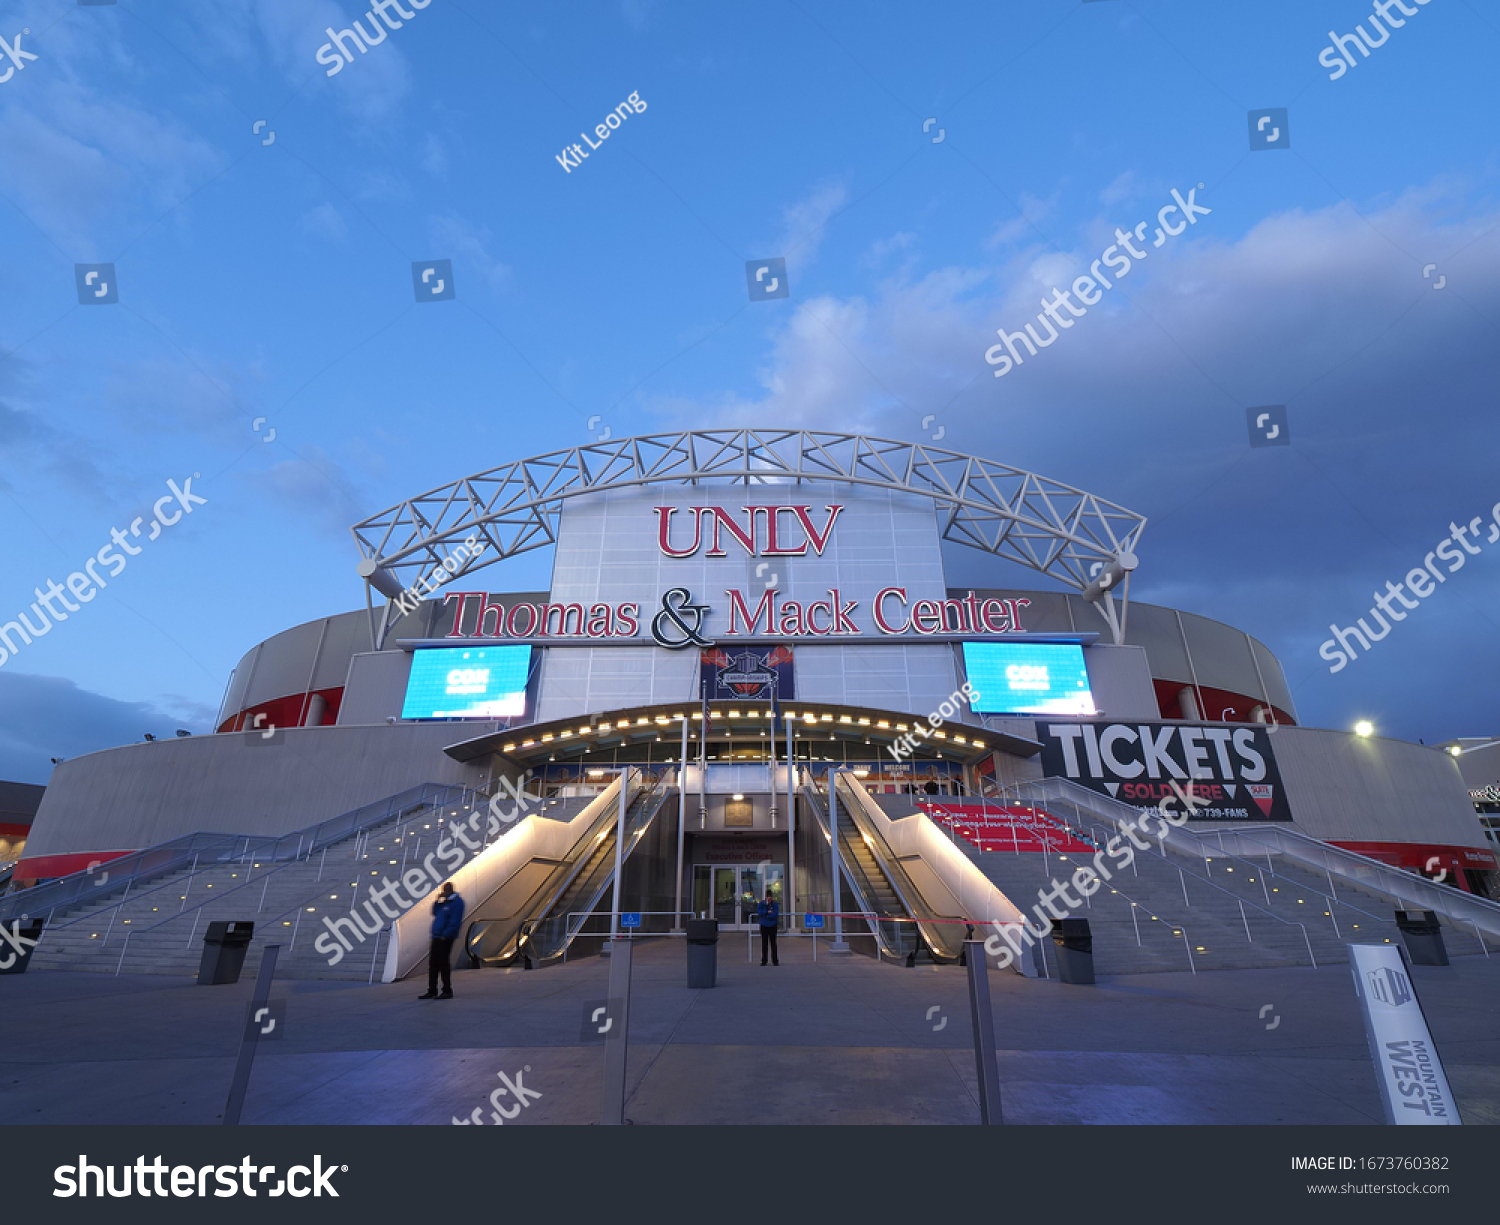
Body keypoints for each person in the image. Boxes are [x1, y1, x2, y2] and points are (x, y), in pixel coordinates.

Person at [418, 881, 464, 1000]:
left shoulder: (457, 903)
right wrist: (437, 901)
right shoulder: (444, 903)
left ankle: (447, 989)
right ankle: (432, 989)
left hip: (445, 937)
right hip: (436, 936)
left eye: (446, 890)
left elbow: (455, 920)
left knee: (443, 963)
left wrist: (447, 934)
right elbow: (434, 912)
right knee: (433, 964)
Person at [757, 890, 780, 966]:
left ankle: (775, 960)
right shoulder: (762, 904)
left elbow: (775, 914)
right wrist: (767, 912)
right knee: (764, 943)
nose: (769, 899)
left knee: (773, 943)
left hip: (772, 925)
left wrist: (766, 916)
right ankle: (764, 960)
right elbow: (760, 912)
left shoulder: (775, 904)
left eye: (770, 897)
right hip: (764, 926)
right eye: (768, 897)